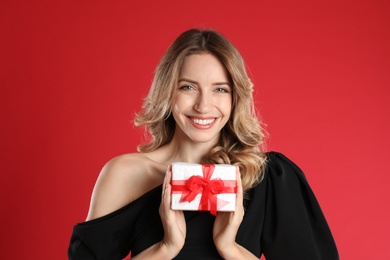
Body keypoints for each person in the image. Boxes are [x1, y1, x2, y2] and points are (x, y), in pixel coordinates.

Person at [68, 28, 339, 259]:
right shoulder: (125, 175)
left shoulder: (270, 177)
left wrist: (230, 248)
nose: (203, 105)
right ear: (167, 92)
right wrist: (166, 248)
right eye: (188, 87)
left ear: (235, 99)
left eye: (220, 89)